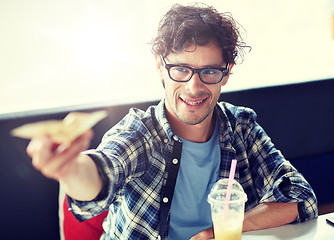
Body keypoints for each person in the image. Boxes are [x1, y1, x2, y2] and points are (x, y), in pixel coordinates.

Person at [27, 3, 318, 240]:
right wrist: (70, 167)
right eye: (181, 69)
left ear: (226, 73)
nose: (194, 87)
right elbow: (100, 175)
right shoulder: (138, 134)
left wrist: (217, 233)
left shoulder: (241, 127)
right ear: (159, 65)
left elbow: (300, 197)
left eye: (209, 72)